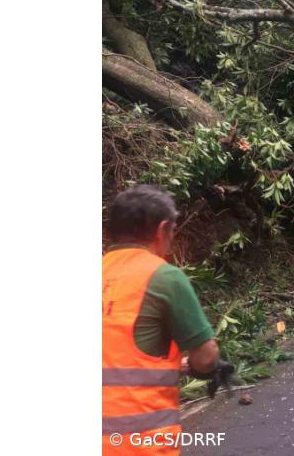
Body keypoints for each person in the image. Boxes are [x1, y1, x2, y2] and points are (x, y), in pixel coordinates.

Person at [103, 185, 232, 455]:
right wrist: (204, 368)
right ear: (162, 229)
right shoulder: (163, 277)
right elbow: (206, 357)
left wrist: (175, 365)